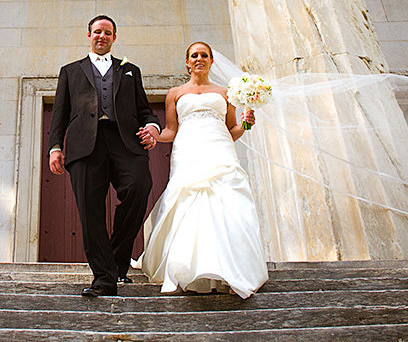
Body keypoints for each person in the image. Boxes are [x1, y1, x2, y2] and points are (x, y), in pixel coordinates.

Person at [133, 41, 269, 298]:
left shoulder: (226, 91)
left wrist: (246, 124)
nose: (199, 59)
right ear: (187, 62)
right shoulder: (174, 93)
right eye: (194, 55)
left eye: (204, 55)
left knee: (226, 199)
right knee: (188, 200)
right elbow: (172, 130)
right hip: (187, 150)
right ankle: (187, 266)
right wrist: (153, 136)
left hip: (219, 148)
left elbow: (231, 131)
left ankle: (231, 268)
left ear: (211, 61)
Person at [48, 15, 160, 297]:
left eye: (108, 33)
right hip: (85, 146)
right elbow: (60, 113)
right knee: (91, 211)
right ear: (88, 35)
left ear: (114, 38)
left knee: (139, 187)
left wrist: (153, 127)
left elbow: (145, 109)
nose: (102, 36)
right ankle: (104, 279)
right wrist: (55, 147)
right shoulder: (71, 71)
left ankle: (117, 260)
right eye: (97, 32)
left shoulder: (130, 71)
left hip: (125, 142)